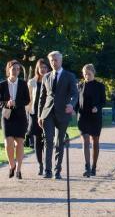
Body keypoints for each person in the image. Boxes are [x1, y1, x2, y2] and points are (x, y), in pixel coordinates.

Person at [38, 51, 78, 179]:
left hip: (63, 113)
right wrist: (40, 115)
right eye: (51, 61)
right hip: (48, 113)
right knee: (48, 141)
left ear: (61, 61)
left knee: (59, 142)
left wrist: (71, 104)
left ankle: (57, 171)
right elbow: (42, 98)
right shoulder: (46, 77)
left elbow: (74, 94)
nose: (53, 63)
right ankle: (47, 171)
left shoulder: (69, 76)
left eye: (55, 60)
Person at [0, 60, 30, 179]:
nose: (16, 71)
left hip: (20, 117)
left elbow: (27, 100)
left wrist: (16, 102)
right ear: (9, 70)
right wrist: (7, 103)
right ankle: (12, 164)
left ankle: (18, 169)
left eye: (18, 69)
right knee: (8, 143)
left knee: (19, 143)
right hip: (7, 116)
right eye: (14, 69)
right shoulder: (2, 85)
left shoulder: (23, 84)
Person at [76, 64, 106, 177]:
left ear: (93, 73)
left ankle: (94, 167)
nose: (87, 76)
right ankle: (87, 167)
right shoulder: (79, 85)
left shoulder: (100, 86)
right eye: (85, 74)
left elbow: (103, 101)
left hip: (95, 116)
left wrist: (97, 107)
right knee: (85, 140)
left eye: (89, 74)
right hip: (83, 116)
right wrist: (73, 109)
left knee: (95, 141)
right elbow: (76, 101)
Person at [27, 59, 50, 175]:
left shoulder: (51, 80)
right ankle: (40, 164)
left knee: (47, 140)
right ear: (37, 68)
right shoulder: (32, 82)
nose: (43, 69)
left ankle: (47, 165)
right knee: (37, 141)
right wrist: (28, 113)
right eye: (41, 67)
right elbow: (29, 99)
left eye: (45, 67)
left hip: (47, 114)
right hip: (34, 114)